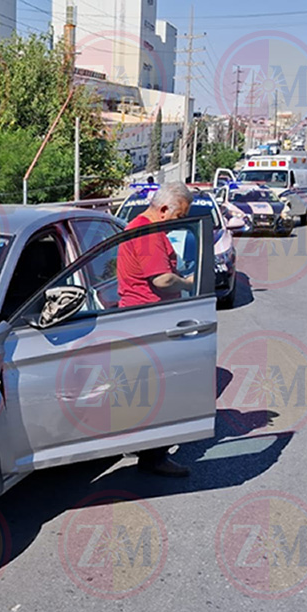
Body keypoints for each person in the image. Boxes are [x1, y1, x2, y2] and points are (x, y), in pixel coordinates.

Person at [117, 182, 195, 477]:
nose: (178, 223)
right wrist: (188, 282)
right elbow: (161, 280)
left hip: (138, 316)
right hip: (149, 317)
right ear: (163, 209)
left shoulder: (138, 225)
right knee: (163, 390)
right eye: (178, 216)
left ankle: (141, 444)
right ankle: (155, 457)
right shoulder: (149, 234)